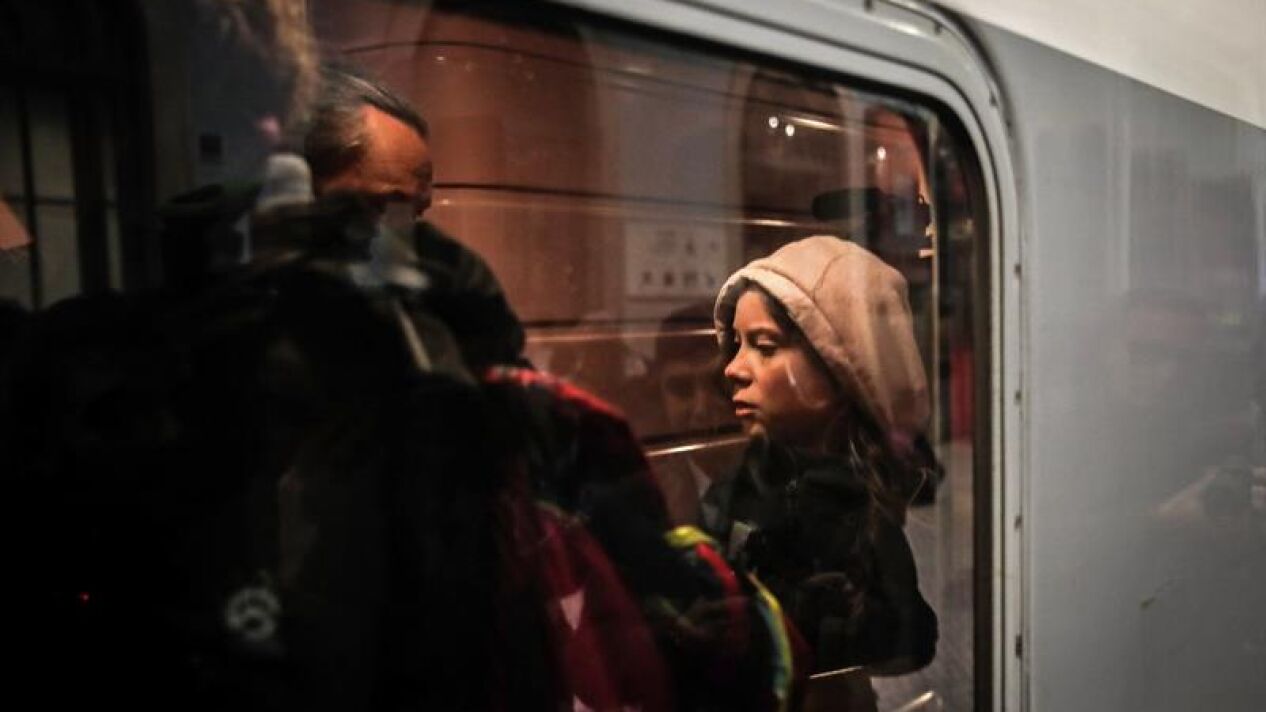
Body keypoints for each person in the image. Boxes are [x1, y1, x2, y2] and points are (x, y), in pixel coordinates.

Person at [709, 235, 938, 706]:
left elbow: (910, 639)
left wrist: (833, 616)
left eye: (765, 346)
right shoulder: (739, 487)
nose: (734, 368)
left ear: (840, 371)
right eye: (737, 345)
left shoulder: (855, 508)